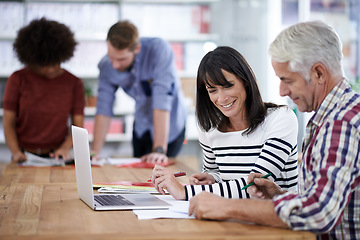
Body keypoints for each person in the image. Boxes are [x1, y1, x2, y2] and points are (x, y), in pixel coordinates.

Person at [186, 21, 360, 240]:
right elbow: (322, 200)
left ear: (318, 73)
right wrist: (279, 195)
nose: (282, 91)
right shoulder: (334, 115)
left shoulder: (340, 123)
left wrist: (227, 207)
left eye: (287, 80)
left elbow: (319, 213)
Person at [151, 46, 299, 200]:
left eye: (228, 86)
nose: (221, 99)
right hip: (229, 216)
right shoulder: (209, 129)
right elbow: (217, 173)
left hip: (275, 218)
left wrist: (184, 191)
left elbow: (256, 185)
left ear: (246, 81)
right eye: (212, 90)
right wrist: (212, 179)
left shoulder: (281, 119)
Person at [91, 20, 187, 163]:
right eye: (111, 57)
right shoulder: (106, 66)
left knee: (160, 171)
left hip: (169, 127)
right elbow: (103, 109)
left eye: (122, 59)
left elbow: (162, 101)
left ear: (137, 49)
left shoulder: (159, 50)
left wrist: (159, 150)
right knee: (139, 174)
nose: (115, 65)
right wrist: (94, 153)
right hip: (141, 127)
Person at [3, 18, 85, 162]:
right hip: (23, 155)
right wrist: (16, 152)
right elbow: (8, 122)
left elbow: (78, 125)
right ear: (32, 60)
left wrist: (65, 148)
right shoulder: (17, 79)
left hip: (57, 156)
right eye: (45, 65)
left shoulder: (74, 83)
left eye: (56, 63)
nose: (52, 69)